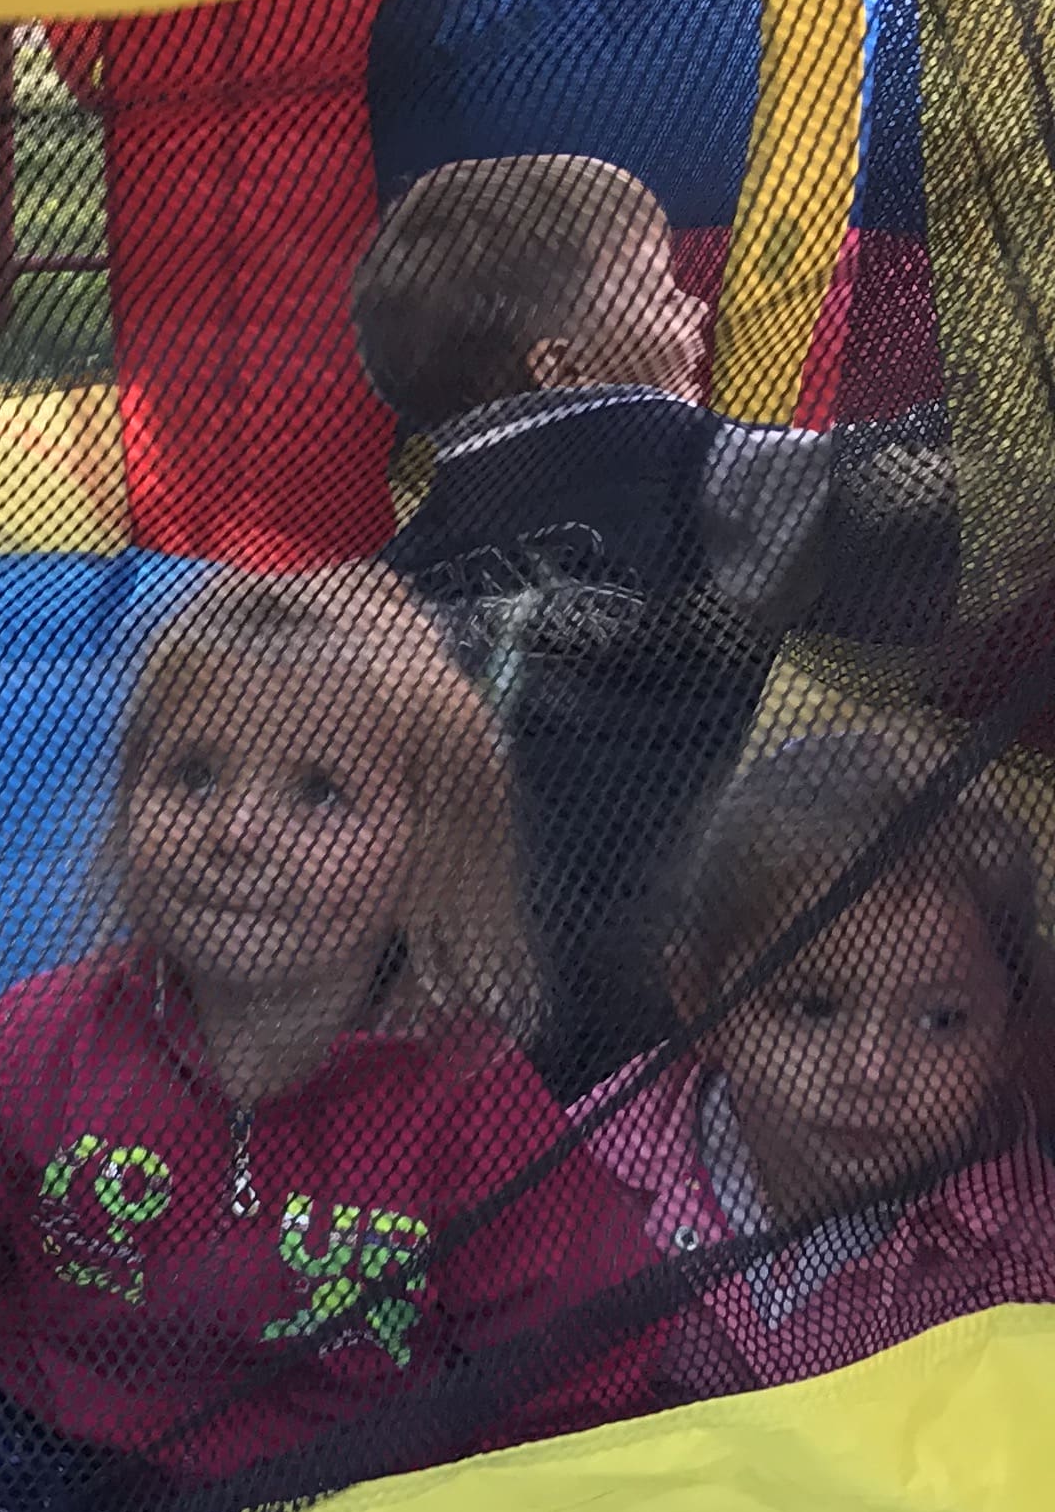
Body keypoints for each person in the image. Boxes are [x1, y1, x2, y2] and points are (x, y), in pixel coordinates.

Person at [0, 562, 660, 1512]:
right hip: (30, 1469)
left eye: (318, 793)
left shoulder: (468, 1103)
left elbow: (577, 1357)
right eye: (191, 775)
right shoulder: (36, 1044)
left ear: (425, 858)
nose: (236, 831)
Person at [352, 151, 961, 1095]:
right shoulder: (693, 471)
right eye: (663, 289)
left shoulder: (391, 575)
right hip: (633, 1016)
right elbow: (920, 494)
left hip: (417, 1014)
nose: (696, 308)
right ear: (562, 366)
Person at [575, 721, 1055, 1396]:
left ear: (1008, 1037)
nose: (872, 1071)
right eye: (813, 1007)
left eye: (940, 1021)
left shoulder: (1022, 1255)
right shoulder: (599, 1165)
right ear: (704, 1005)